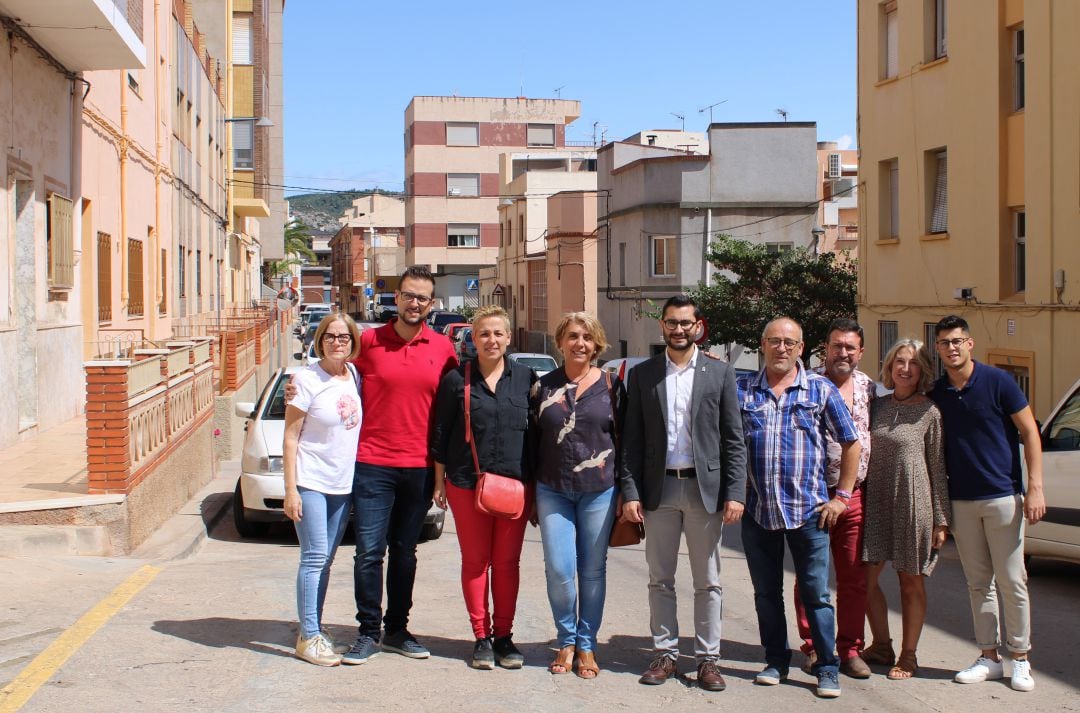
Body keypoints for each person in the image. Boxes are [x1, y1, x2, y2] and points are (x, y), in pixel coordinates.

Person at [289, 266, 457, 664]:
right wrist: (299, 381)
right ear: (396, 298)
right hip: (371, 465)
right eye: (408, 295)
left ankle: (398, 629)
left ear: (431, 304)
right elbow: (334, 372)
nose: (415, 303)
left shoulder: (443, 349)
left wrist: (441, 474)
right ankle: (368, 632)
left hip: (418, 466)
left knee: (405, 552)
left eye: (422, 298)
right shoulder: (368, 344)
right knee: (368, 553)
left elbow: (452, 411)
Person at [620, 295, 747, 692]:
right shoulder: (643, 375)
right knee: (660, 578)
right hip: (658, 491)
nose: (678, 329)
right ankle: (665, 654)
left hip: (703, 490)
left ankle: (708, 659)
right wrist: (630, 491)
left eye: (685, 323)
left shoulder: (719, 373)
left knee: (708, 580)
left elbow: (734, 439)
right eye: (672, 322)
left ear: (698, 326)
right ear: (662, 326)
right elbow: (631, 441)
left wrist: (735, 492)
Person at [737, 316, 861, 699]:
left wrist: (841, 497)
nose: (782, 349)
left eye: (790, 343)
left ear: (801, 348)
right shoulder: (743, 391)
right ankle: (775, 660)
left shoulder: (820, 389)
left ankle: (827, 667)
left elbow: (851, 442)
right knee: (766, 593)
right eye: (774, 341)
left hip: (809, 513)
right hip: (758, 512)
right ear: (763, 345)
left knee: (816, 594)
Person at [929, 315, 1045, 692]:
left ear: (970, 343)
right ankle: (989, 657)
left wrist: (1036, 488)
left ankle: (1021, 658)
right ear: (938, 348)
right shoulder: (939, 393)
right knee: (979, 583)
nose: (952, 347)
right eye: (945, 342)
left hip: (1003, 497)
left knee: (1013, 580)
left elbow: (1030, 432)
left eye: (957, 340)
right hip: (962, 500)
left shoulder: (998, 382)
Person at [430, 306, 536, 670]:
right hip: (464, 483)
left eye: (498, 333)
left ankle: (504, 638)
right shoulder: (456, 380)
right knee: (476, 563)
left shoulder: (526, 378)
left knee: (507, 564)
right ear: (473, 340)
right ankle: (481, 638)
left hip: (514, 486)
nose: (491, 340)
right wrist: (438, 481)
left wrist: (536, 488)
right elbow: (440, 433)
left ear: (509, 337)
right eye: (484, 334)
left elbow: (536, 435)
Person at [530, 311, 629, 680]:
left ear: (597, 344)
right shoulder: (542, 387)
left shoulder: (613, 386)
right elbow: (532, 442)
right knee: (559, 569)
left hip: (600, 490)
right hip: (551, 488)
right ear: (560, 342)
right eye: (572, 336)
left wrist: (626, 492)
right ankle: (565, 639)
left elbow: (626, 442)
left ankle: (586, 644)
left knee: (591, 570)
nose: (580, 344)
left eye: (587, 337)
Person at [861, 339, 951, 680]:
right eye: (900, 361)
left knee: (910, 581)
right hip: (876, 502)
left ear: (922, 370)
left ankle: (909, 655)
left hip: (914, 504)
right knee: (863, 580)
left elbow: (938, 466)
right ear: (889, 366)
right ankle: (881, 644)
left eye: (913, 363)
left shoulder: (930, 412)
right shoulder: (877, 406)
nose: (905, 368)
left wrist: (941, 520)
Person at [793, 319, 875, 679]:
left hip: (852, 495)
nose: (842, 352)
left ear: (860, 352)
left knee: (853, 578)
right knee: (811, 577)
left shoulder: (870, 389)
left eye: (849, 347)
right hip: (810, 496)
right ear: (824, 348)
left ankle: (849, 649)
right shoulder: (806, 383)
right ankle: (813, 646)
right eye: (836, 346)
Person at [282, 312, 363, 666]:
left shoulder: (352, 375)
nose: (337, 342)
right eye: (330, 336)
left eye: (344, 337)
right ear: (319, 340)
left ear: (352, 342)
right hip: (310, 481)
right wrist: (290, 490)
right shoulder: (305, 380)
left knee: (326, 560)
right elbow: (290, 437)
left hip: (341, 484)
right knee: (313, 557)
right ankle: (309, 637)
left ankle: (313, 628)